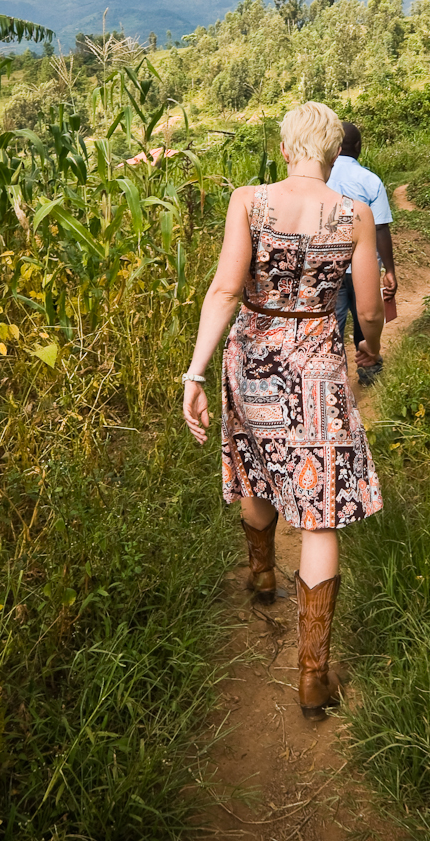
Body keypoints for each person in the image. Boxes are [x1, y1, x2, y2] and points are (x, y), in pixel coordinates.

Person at [181, 101, 386, 717]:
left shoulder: (249, 200)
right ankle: (312, 676)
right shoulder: (355, 214)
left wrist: (195, 372)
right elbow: (370, 309)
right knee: (319, 512)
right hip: (319, 366)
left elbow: (224, 288)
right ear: (333, 151)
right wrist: (369, 343)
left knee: (257, 462)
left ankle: (262, 574)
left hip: (253, 361)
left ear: (285, 145)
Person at [328, 121, 396, 385]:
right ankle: (368, 370)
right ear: (358, 147)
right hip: (362, 268)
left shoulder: (322, 178)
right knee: (365, 318)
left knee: (332, 324)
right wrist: (389, 269)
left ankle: (330, 379)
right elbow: (380, 228)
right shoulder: (370, 180)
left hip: (329, 266)